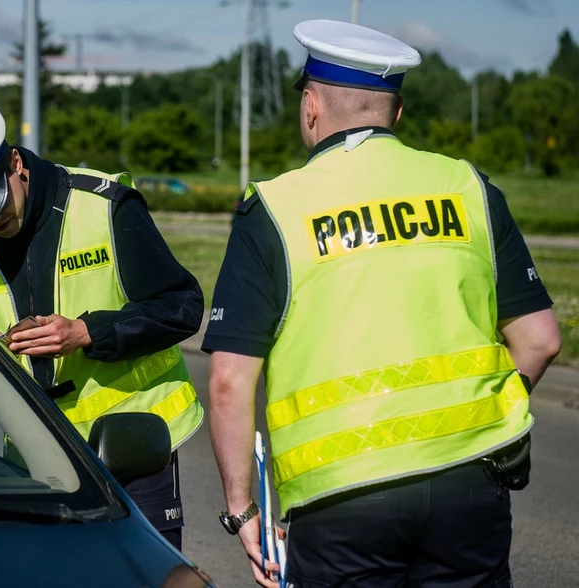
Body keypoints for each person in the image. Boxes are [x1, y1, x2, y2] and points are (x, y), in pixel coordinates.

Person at [204, 19, 561, 587]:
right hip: (469, 484)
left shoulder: (274, 209)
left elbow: (228, 380)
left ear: (312, 107)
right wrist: (493, 419)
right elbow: (541, 341)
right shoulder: (468, 187)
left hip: (343, 498)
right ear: (397, 114)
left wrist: (243, 509)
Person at [0, 106, 205, 551]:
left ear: (16, 166)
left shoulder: (105, 205)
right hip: (36, 451)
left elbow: (181, 305)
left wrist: (86, 334)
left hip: (133, 448)